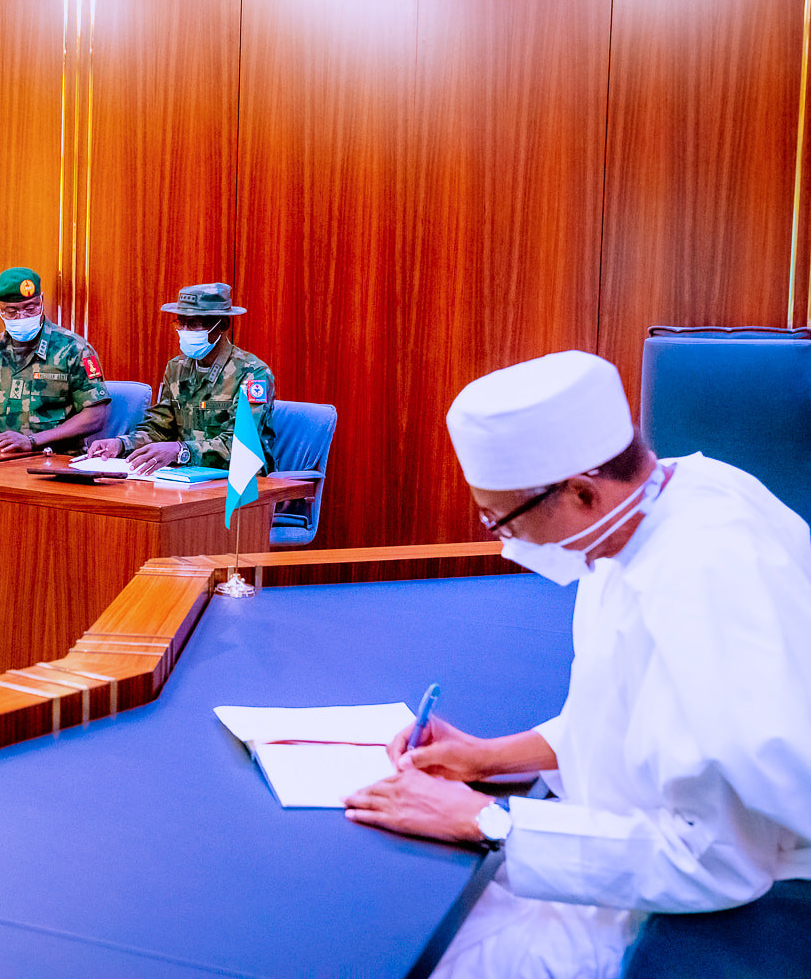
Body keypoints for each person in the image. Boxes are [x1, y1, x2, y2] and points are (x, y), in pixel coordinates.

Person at [342, 350, 811, 978]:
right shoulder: (659, 502)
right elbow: (632, 718)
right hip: (620, 848)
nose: (502, 539)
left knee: (401, 956)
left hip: (693, 903)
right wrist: (487, 757)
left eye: (499, 518)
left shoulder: (707, 581)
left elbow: (717, 861)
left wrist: (484, 820)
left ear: (583, 492)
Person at [79, 282, 274, 475]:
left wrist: (181, 451)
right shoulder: (177, 368)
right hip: (185, 478)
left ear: (222, 325)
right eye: (182, 322)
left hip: (239, 484)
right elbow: (159, 427)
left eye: (194, 324)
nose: (185, 330)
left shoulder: (253, 373)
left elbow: (242, 445)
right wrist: (121, 444)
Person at [0, 267, 110, 454]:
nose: (22, 317)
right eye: (12, 311)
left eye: (31, 308)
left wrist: (32, 441)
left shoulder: (74, 349)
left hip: (55, 462)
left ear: (41, 302)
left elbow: (95, 416)